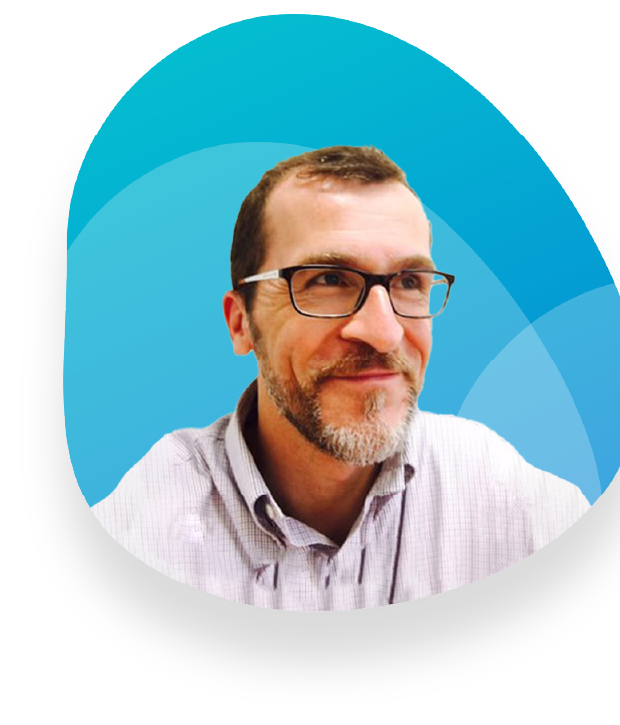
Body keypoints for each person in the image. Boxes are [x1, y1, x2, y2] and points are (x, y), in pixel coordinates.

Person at [91, 145, 590, 611]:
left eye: (409, 282)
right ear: (241, 322)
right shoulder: (148, 526)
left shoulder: (503, 499)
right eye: (328, 280)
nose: (384, 333)